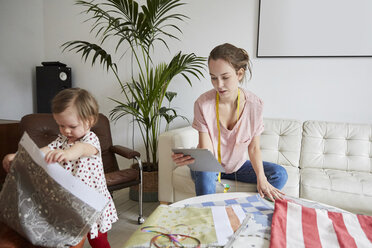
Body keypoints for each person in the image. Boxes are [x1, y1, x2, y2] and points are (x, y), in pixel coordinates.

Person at [2, 88, 117, 248]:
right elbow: (44, 151)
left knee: (97, 240)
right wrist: (18, 156)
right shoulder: (62, 139)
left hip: (90, 202)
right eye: (61, 125)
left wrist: (68, 153)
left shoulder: (91, 140)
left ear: (89, 121)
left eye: (72, 126)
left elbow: (81, 149)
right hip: (70, 201)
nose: (66, 130)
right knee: (71, 238)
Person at [172, 43, 288, 201]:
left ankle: (252, 207)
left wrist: (261, 178)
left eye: (225, 77)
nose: (218, 84)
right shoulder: (203, 104)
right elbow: (207, 150)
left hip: (237, 167)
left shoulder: (254, 105)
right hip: (210, 164)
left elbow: (253, 148)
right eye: (213, 78)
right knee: (206, 171)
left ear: (239, 74)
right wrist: (192, 160)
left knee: (279, 174)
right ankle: (208, 215)